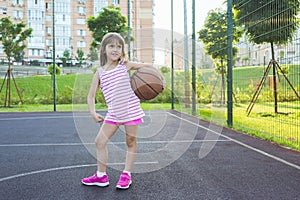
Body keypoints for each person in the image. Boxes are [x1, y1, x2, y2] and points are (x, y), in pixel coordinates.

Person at [81, 32, 151, 190]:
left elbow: (148, 67)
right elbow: (91, 96)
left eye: (119, 47)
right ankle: (101, 176)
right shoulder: (99, 72)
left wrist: (156, 79)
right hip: (114, 113)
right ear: (104, 49)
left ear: (123, 50)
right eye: (111, 46)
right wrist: (92, 112)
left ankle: (126, 174)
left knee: (130, 141)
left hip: (131, 110)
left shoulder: (125, 65)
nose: (115, 49)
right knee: (100, 142)